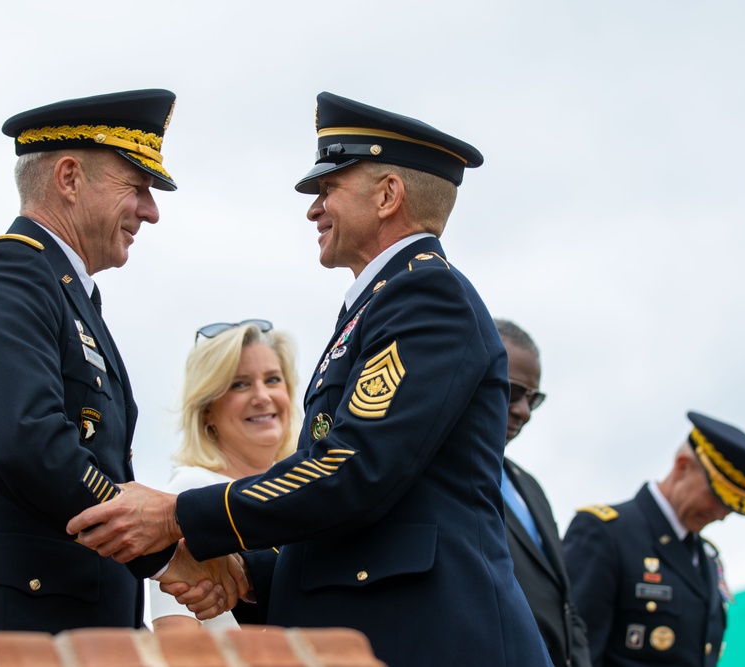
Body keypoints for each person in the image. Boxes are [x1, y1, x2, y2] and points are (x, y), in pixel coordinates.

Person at [69, 91, 551, 666]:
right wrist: (249, 574)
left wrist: (180, 515)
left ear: (388, 195)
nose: (313, 209)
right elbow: (363, 521)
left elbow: (351, 471)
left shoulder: (425, 298)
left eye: (328, 190)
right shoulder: (385, 302)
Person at [0, 89, 238, 633]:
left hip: (75, 628)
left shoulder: (66, 293)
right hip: (14, 632)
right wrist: (161, 550)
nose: (152, 211)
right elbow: (30, 447)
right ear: (69, 178)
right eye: (136, 188)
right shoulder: (7, 278)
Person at [563, 411, 745, 666]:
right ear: (682, 466)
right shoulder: (606, 532)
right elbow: (574, 651)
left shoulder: (707, 558)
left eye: (731, 507)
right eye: (716, 497)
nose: (721, 515)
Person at [148, 320, 300, 632]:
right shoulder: (190, 493)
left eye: (273, 380)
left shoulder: (307, 493)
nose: (262, 396)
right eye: (240, 384)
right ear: (207, 410)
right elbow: (177, 643)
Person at [495, 319, 591, 667]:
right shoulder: (437, 473)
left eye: (533, 399)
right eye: (513, 391)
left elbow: (565, 603)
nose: (523, 411)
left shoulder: (528, 486)